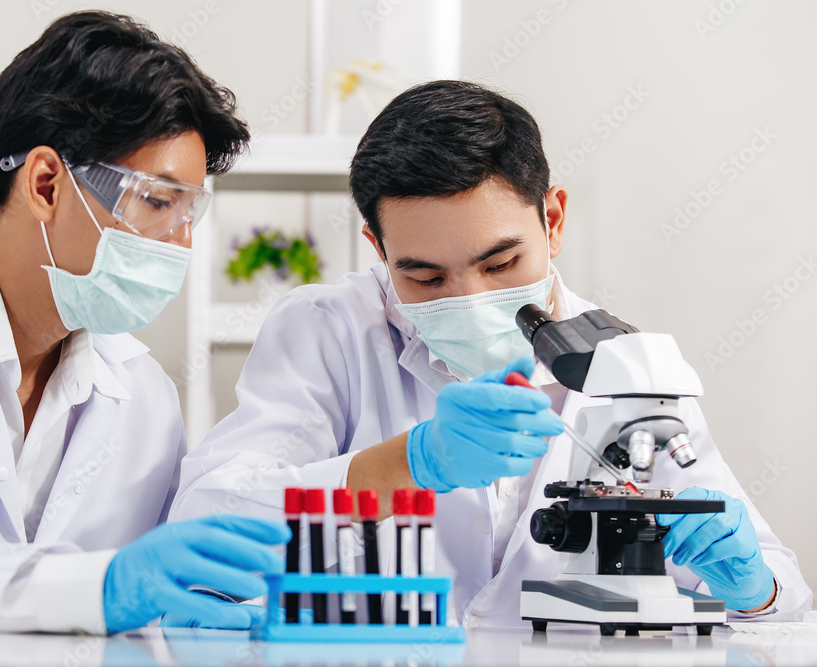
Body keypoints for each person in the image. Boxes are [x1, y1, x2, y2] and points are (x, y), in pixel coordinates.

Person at [170, 81, 811, 626]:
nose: (470, 299)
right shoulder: (330, 331)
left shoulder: (627, 365)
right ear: (377, 245)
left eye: (500, 262)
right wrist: (409, 464)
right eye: (424, 276)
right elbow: (204, 524)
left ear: (552, 220)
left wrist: (754, 590)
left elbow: (782, 595)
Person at [0, 11, 288, 634]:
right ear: (45, 183)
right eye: (156, 202)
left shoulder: (143, 396)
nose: (180, 245)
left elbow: (150, 612)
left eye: (189, 213)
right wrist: (95, 587)